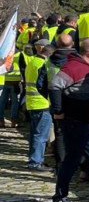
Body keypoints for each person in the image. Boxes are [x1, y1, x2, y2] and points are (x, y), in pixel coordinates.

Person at [50, 38, 89, 202]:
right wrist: (58, 110)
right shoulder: (73, 67)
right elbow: (54, 86)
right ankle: (59, 197)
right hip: (75, 122)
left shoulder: (88, 67)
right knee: (72, 160)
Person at [39, 34, 75, 173]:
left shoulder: (48, 61)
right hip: (74, 102)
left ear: (57, 45)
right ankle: (76, 165)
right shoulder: (77, 60)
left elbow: (40, 84)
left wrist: (49, 97)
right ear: (72, 44)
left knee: (59, 134)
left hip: (56, 103)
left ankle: (61, 166)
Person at [26, 40, 55, 171]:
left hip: (31, 102)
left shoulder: (32, 62)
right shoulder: (44, 64)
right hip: (42, 102)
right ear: (49, 55)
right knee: (41, 135)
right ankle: (35, 162)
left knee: (34, 134)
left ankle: (34, 159)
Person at [0, 48, 23, 128]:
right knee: (15, 102)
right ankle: (14, 121)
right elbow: (23, 67)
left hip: (6, 80)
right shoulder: (20, 55)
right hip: (15, 81)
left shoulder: (6, 54)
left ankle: (1, 121)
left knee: (2, 102)